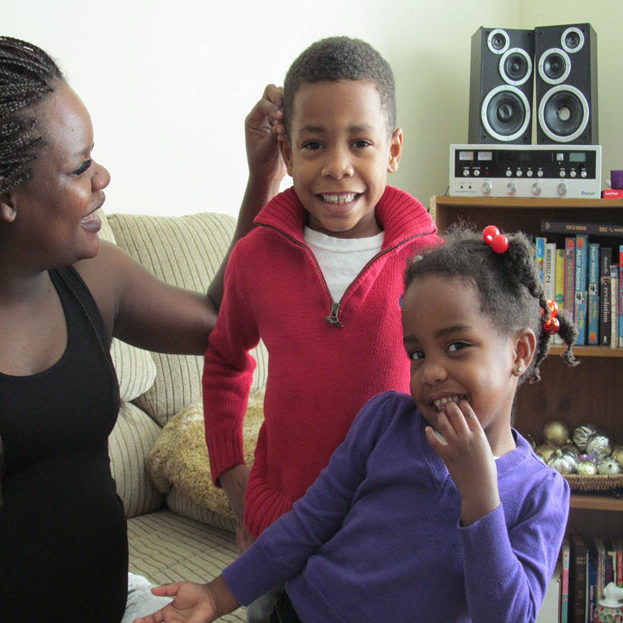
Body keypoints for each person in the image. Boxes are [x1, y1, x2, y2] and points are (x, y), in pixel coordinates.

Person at [134, 224, 576, 623]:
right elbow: (307, 524)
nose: (432, 372)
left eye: (457, 345)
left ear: (519, 353)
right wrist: (215, 595)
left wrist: (481, 498)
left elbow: (507, 616)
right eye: (417, 353)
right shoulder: (385, 421)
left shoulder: (542, 493)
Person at [0, 36, 285, 622]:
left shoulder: (93, 275)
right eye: (80, 167)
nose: (103, 176)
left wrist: (264, 175)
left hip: (116, 601)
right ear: (8, 197)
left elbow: (216, 325)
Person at [201, 35, 441, 620]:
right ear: (285, 148)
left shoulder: (432, 265)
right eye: (313, 143)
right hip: (277, 533)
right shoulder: (256, 256)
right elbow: (226, 361)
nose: (337, 165)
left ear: (394, 149)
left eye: (360, 142)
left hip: (386, 537)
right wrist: (232, 475)